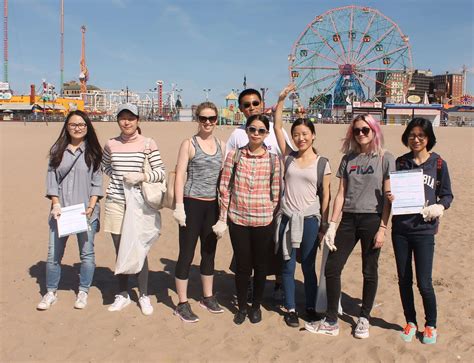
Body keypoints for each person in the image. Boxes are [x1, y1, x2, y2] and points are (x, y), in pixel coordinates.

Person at [306, 114, 395, 338]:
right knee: (332, 268)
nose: (361, 134)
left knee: (369, 269)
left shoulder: (386, 158)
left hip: (372, 219)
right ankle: (331, 320)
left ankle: (363, 317)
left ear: (374, 130)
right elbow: (341, 194)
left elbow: (388, 197)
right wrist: (332, 224)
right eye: (357, 130)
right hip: (348, 219)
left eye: (365, 129)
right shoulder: (348, 159)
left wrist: (383, 228)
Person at [390, 118, 453, 344]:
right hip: (400, 230)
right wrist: (391, 196)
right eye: (412, 135)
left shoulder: (438, 164)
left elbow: (447, 195)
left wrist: (440, 207)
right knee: (404, 279)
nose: (416, 139)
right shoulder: (400, 163)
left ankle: (431, 324)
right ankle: (410, 321)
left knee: (424, 282)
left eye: (421, 136)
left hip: (424, 231)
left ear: (428, 139)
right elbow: (391, 191)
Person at [213, 114, 280, 325]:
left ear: (267, 134)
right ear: (247, 131)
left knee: (260, 266)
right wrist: (223, 217)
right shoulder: (235, 155)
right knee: (243, 266)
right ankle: (242, 307)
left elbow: (276, 192)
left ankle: (256, 306)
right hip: (238, 219)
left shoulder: (273, 159)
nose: (256, 134)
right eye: (252, 129)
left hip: (263, 220)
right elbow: (225, 188)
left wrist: (270, 213)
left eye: (261, 130)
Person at [273, 84, 331, 328]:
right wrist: (281, 98)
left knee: (307, 266)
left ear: (313, 135)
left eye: (305, 134)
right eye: (297, 134)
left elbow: (326, 195)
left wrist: (324, 225)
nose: (300, 138)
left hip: (309, 220)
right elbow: (277, 126)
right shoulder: (288, 157)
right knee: (287, 266)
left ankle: (309, 305)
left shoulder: (322, 163)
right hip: (287, 218)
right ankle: (291, 307)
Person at [226, 88, 292, 300]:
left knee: (275, 246)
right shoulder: (237, 134)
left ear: (262, 103)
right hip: (243, 205)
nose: (251, 107)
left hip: (272, 201)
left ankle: (278, 285)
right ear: (241, 109)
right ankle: (248, 287)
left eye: (255, 103)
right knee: (245, 251)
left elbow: (290, 157)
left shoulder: (275, 129)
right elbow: (228, 168)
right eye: (246, 105)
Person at [102, 103, 165, 315]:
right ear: (117, 120)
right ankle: (123, 294)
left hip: (140, 203)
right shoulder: (111, 144)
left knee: (139, 248)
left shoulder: (148, 143)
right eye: (122, 118)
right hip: (116, 202)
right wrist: (117, 179)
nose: (127, 122)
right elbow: (105, 165)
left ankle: (144, 294)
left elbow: (160, 172)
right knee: (121, 249)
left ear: (138, 120)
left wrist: (142, 177)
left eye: (131, 117)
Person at [37, 110, 103, 310]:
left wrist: (91, 207)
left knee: (87, 254)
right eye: (73, 124)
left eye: (82, 124)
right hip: (62, 212)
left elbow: (97, 184)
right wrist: (56, 204)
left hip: (85, 212)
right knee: (54, 255)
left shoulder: (93, 151)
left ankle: (83, 291)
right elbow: (52, 182)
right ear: (66, 126)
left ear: (87, 127)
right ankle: (50, 292)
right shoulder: (57, 150)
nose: (78, 128)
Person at [172, 102, 226, 323]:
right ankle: (182, 303)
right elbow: (179, 175)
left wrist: (223, 214)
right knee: (186, 253)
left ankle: (207, 297)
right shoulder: (189, 144)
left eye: (211, 118)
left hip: (212, 205)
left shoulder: (222, 145)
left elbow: (224, 180)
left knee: (209, 253)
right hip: (191, 203)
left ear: (216, 120)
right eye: (203, 118)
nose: (207, 122)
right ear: (197, 119)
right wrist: (179, 206)